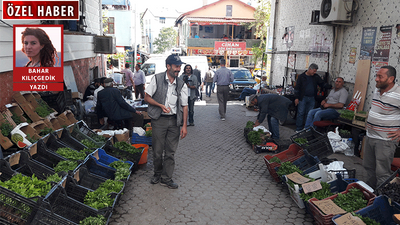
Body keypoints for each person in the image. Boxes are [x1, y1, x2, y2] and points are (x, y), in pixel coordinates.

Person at [144, 54, 188, 189]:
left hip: (174, 121)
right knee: (157, 151)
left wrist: (184, 126)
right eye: (176, 66)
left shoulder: (181, 84)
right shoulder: (156, 79)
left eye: (180, 66)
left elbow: (185, 106)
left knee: (170, 152)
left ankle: (166, 178)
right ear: (168, 66)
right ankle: (157, 173)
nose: (179, 69)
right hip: (159, 120)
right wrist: (160, 105)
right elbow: (147, 97)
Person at [363, 66, 400, 189]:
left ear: (391, 79)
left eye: (380, 76)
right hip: (370, 136)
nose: (376, 79)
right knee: (369, 168)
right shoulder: (377, 90)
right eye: (376, 76)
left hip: (385, 141)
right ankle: (370, 194)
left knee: (382, 172)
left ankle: (381, 199)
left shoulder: (398, 94)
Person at [294, 63, 331, 131]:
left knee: (309, 114)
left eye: (315, 71)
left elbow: (322, 84)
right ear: (310, 69)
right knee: (301, 113)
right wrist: (296, 98)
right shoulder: (301, 77)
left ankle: (306, 128)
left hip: (312, 98)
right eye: (314, 71)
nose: (315, 72)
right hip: (303, 98)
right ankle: (298, 128)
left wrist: (330, 87)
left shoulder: (316, 77)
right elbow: (297, 87)